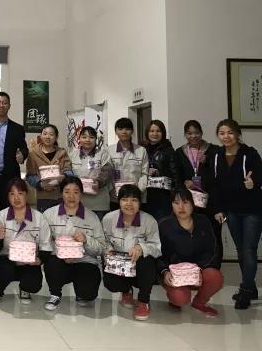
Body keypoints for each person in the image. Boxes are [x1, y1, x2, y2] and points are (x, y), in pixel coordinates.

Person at [210, 119, 262, 309]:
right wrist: (217, 209)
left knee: (248, 250)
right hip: (231, 211)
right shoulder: (217, 156)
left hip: (252, 210)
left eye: (230, 132)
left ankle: (246, 290)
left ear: (238, 134)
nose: (226, 136)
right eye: (222, 133)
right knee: (241, 250)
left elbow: (259, 176)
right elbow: (214, 185)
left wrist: (253, 183)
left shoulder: (250, 153)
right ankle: (251, 287)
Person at [0, 178, 51, 310]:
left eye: (20, 193)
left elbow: (46, 245)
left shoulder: (39, 217)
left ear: (26, 194)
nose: (16, 198)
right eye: (12, 194)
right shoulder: (1, 216)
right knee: (5, 270)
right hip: (5, 258)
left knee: (34, 284)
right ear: (8, 196)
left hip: (29, 261)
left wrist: (39, 260)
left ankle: (24, 288)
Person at [43, 176, 105, 311]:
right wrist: (61, 252)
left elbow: (101, 248)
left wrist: (86, 240)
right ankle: (55, 294)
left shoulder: (92, 217)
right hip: (59, 260)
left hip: (85, 260)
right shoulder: (49, 214)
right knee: (52, 264)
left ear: (81, 194)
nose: (71, 196)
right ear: (61, 193)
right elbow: (43, 243)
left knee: (88, 294)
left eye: (76, 192)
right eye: (67, 192)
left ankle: (81, 293)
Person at [158, 188, 223, 317]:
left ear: (193, 204)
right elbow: (158, 254)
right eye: (176, 203)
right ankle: (175, 298)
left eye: (185, 202)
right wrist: (165, 272)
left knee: (215, 277)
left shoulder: (203, 221)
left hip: (197, 270)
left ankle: (199, 303)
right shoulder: (164, 225)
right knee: (180, 298)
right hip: (173, 273)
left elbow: (211, 249)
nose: (181, 207)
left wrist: (199, 268)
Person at [101, 184, 161, 320]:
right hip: (118, 264)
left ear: (140, 203)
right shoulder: (108, 219)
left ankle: (143, 301)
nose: (129, 204)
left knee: (147, 261)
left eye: (134, 200)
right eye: (124, 199)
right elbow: (103, 240)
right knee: (111, 283)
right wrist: (108, 249)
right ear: (119, 202)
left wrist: (141, 248)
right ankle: (126, 291)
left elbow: (157, 247)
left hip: (140, 266)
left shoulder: (149, 221)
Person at [174, 120, 222, 264]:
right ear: (185, 135)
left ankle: (214, 265)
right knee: (193, 232)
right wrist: (184, 182)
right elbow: (177, 174)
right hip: (190, 200)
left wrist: (208, 162)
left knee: (213, 233)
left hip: (210, 200)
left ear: (201, 133)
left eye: (196, 133)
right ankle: (195, 265)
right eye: (189, 133)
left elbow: (220, 174)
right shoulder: (180, 152)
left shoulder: (214, 150)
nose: (193, 136)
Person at [68, 126, 113, 220]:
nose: (87, 140)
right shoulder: (72, 155)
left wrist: (99, 182)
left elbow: (107, 171)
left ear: (96, 139)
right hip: (78, 202)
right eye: (84, 137)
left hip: (99, 203)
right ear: (79, 139)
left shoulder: (103, 154)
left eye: (91, 137)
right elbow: (68, 173)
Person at [25, 124, 71, 212]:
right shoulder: (33, 154)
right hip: (43, 197)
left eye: (51, 134)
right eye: (45, 134)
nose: (47, 137)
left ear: (56, 137)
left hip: (61, 195)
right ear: (41, 136)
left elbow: (68, 170)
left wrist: (64, 176)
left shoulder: (62, 153)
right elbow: (30, 175)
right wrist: (41, 184)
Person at [108, 118, 149, 211]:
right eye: (120, 129)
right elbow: (108, 174)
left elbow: (144, 174)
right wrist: (113, 190)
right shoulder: (109, 151)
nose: (124, 131)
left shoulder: (141, 150)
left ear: (132, 131)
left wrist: (137, 191)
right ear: (116, 131)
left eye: (127, 129)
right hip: (115, 197)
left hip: (136, 197)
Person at [143, 120, 178, 221]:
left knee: (163, 223)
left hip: (163, 195)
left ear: (163, 133)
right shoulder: (142, 149)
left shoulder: (169, 150)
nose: (155, 134)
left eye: (158, 131)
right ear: (147, 133)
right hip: (145, 194)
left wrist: (159, 173)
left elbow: (175, 173)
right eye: (152, 131)